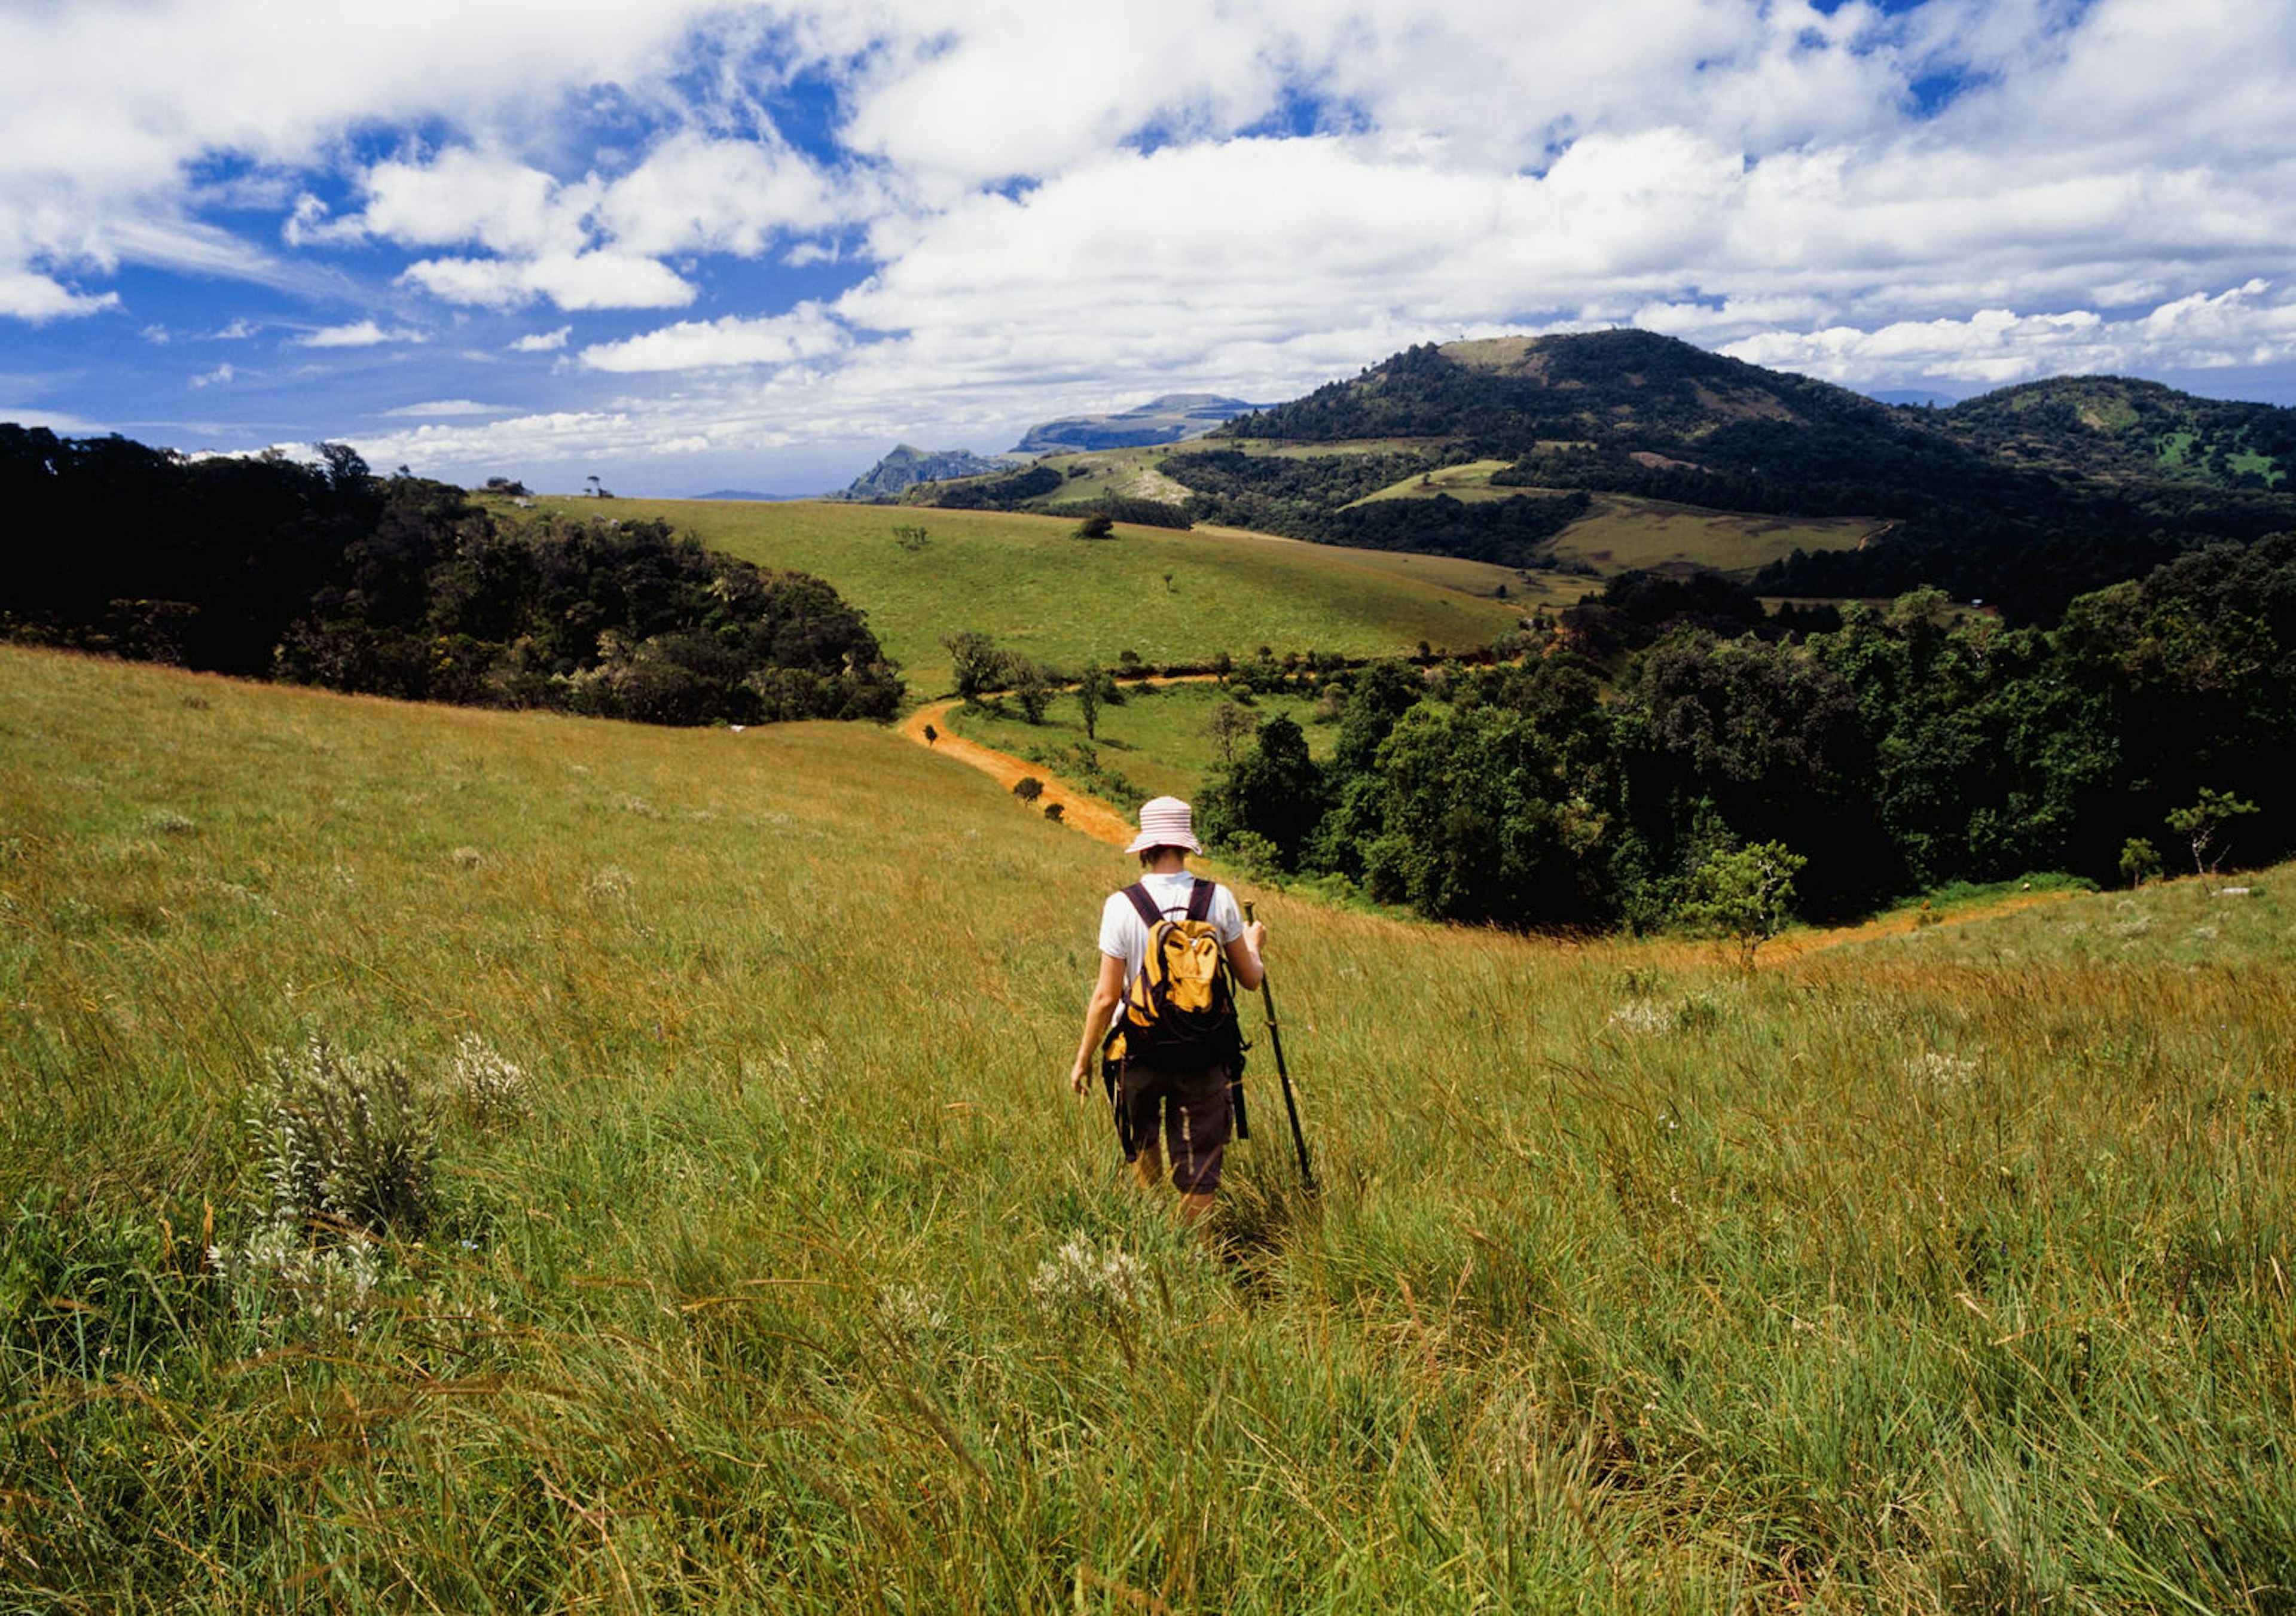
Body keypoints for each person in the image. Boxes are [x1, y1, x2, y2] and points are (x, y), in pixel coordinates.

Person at [1067, 795, 1266, 1227]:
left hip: (1137, 1048)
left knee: (1143, 1139)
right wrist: (1253, 946)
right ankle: (1199, 1259)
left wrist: (1082, 1060)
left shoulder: (1121, 905)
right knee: (1199, 1173)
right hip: (1204, 1052)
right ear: (1185, 845)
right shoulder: (1220, 899)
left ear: (1146, 848)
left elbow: (1105, 997)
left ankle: (1156, 1225)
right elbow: (1250, 979)